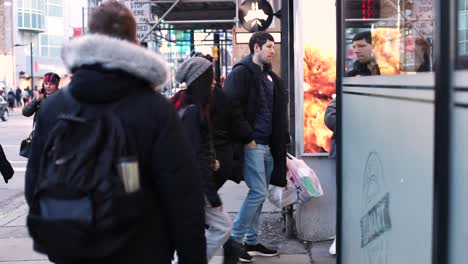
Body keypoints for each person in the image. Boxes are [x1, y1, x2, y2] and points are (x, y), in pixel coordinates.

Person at [25, 1, 206, 263]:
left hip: (73, 248)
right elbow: (183, 196)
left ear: (90, 38)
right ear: (133, 42)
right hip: (142, 249)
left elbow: (35, 185)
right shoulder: (155, 109)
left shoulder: (54, 107)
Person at [223, 31, 289, 263]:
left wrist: (282, 142)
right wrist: (247, 137)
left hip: (269, 145)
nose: (273, 51)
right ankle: (234, 240)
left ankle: (251, 241)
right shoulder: (241, 73)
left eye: (273, 47)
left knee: (258, 195)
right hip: (252, 143)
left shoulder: (270, 78)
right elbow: (230, 107)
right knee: (258, 192)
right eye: (269, 46)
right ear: (256, 47)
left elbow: (276, 113)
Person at [171, 57, 233, 264]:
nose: (214, 81)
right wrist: (210, 193)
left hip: (187, 184)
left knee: (196, 231)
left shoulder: (186, 104)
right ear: (200, 80)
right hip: (193, 185)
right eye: (210, 77)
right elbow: (193, 155)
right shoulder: (191, 111)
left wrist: (209, 160)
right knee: (222, 226)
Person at [324, 97, 336, 255]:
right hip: (344, 152)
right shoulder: (342, 95)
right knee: (343, 198)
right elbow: (329, 117)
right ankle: (340, 237)